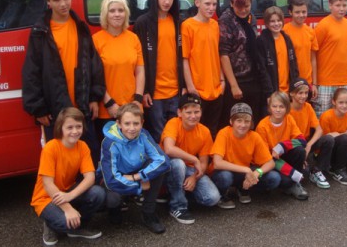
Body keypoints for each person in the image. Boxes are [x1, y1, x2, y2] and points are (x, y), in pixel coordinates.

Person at [22, 0, 105, 166]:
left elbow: (94, 64)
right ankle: (67, 195)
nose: (63, 4)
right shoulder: (40, 32)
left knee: (90, 159)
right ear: (48, 2)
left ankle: (90, 194)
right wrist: (38, 108)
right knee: (61, 163)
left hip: (82, 108)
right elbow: (31, 72)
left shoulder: (80, 27)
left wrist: (94, 96)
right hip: (55, 112)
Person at [30, 107, 106, 246]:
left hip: (66, 192)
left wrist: (70, 196)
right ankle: (51, 224)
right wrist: (68, 208)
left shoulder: (82, 146)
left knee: (98, 193)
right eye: (69, 127)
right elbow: (47, 184)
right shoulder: (51, 148)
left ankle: (78, 227)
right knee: (66, 223)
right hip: (46, 198)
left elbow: (90, 178)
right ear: (61, 128)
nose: (75, 131)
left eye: (78, 126)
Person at [99, 103, 170, 233]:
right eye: (127, 124)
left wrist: (139, 176)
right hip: (117, 176)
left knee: (157, 167)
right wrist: (138, 187)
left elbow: (163, 161)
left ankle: (148, 212)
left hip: (135, 173)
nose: (132, 128)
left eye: (136, 123)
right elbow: (111, 179)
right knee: (113, 199)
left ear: (142, 123)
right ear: (119, 124)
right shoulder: (109, 142)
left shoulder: (143, 134)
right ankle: (115, 208)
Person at [134, 0, 184, 143]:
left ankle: (176, 168)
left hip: (175, 92)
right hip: (154, 94)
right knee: (158, 138)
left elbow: (181, 57)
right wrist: (145, 91)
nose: (167, 1)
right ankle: (163, 168)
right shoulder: (143, 23)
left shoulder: (177, 21)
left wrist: (182, 87)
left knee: (175, 137)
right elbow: (139, 61)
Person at [161, 93, 221, 224]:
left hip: (190, 170)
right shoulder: (173, 124)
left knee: (213, 198)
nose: (193, 116)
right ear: (179, 112)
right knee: (178, 163)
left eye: (196, 112)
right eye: (188, 112)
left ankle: (179, 194)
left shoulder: (204, 131)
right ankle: (177, 207)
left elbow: (204, 163)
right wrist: (194, 160)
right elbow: (169, 149)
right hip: (169, 168)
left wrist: (195, 177)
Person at [92, 0, 145, 139]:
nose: (117, 14)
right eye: (112, 11)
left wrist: (137, 100)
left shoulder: (133, 38)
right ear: (105, 14)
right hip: (107, 110)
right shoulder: (96, 41)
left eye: (121, 10)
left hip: (132, 108)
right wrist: (109, 103)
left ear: (126, 13)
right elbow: (95, 76)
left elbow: (140, 70)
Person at [211, 103, 280, 208]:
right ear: (231, 121)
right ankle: (222, 195)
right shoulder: (224, 133)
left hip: (243, 173)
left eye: (247, 121)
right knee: (225, 177)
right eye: (239, 121)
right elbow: (217, 163)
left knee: (274, 178)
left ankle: (243, 188)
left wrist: (257, 172)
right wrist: (246, 170)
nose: (243, 125)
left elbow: (270, 163)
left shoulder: (254, 136)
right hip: (226, 171)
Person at [219, 0, 266, 126]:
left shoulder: (252, 18)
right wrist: (233, 85)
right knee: (236, 120)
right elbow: (223, 54)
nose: (243, 10)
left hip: (253, 77)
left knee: (253, 119)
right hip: (237, 79)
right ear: (232, 4)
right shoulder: (226, 21)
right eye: (239, 7)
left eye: (247, 6)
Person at [182, 0, 224, 136]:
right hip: (198, 90)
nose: (211, 8)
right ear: (197, 2)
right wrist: (190, 86)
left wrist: (222, 80)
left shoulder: (215, 25)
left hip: (216, 88)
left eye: (214, 4)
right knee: (196, 131)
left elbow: (217, 54)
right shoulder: (187, 26)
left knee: (212, 131)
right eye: (207, 4)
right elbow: (184, 59)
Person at [256, 91, 309, 200]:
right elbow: (266, 158)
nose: (278, 109)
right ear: (269, 108)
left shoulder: (288, 118)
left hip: (283, 155)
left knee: (300, 151)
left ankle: (294, 185)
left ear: (287, 108)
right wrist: (292, 173)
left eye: (281, 106)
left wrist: (281, 146)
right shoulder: (262, 126)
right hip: (270, 161)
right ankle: (291, 182)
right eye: (274, 106)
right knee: (285, 180)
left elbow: (302, 141)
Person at [313, 0, 347, 117]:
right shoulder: (323, 25)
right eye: (337, 5)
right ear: (330, 6)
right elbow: (313, 53)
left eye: (344, 5)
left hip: (344, 81)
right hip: (325, 81)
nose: (341, 9)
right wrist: (315, 82)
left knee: (341, 117)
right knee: (323, 118)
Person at [288, 78, 332, 189]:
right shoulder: (287, 110)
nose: (303, 96)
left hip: (306, 141)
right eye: (300, 93)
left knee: (328, 139)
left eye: (306, 93)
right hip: (293, 145)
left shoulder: (307, 107)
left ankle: (317, 170)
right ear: (292, 94)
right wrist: (302, 151)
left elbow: (319, 130)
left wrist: (309, 145)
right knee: (304, 173)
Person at [257, 6, 299, 99]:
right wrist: (269, 93)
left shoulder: (287, 39)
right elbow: (262, 70)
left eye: (279, 20)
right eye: (272, 21)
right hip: (272, 93)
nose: (276, 24)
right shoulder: (262, 41)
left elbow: (293, 65)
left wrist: (295, 88)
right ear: (267, 23)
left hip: (288, 91)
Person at [283, 0, 319, 100]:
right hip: (291, 83)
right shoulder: (285, 31)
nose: (301, 15)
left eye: (304, 12)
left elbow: (313, 59)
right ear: (290, 12)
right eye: (297, 12)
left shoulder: (310, 32)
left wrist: (314, 84)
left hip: (307, 84)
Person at [319, 88, 347, 185]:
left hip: (341, 146)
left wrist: (338, 134)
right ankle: (338, 169)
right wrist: (343, 134)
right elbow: (326, 138)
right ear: (334, 102)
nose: (344, 106)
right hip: (325, 150)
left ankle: (337, 166)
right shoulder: (326, 116)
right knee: (343, 138)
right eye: (341, 102)